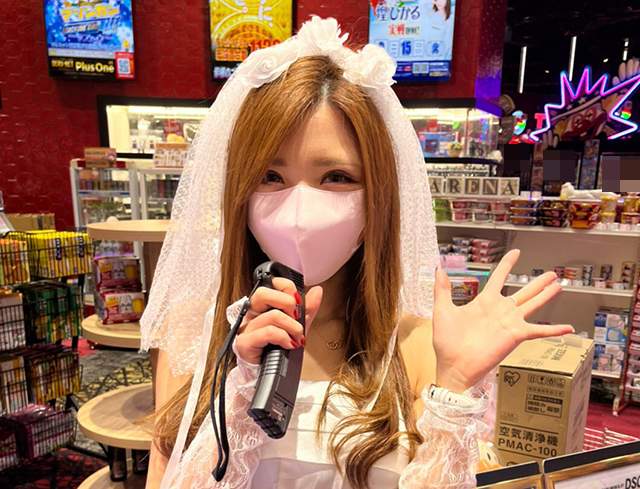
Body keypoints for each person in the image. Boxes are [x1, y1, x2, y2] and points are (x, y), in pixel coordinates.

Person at [141, 17, 572, 489]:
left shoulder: (415, 344)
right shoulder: (192, 331)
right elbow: (163, 477)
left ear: (378, 199)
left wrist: (455, 387)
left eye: (336, 177)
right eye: (270, 176)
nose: (300, 210)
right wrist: (240, 388)